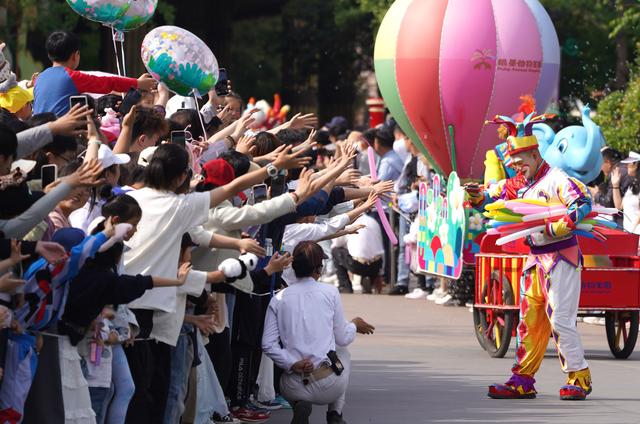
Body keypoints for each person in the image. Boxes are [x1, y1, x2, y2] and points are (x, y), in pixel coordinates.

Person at [468, 114, 593, 401]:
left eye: (521, 160)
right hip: (535, 259)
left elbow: (583, 201)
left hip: (562, 257)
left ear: (535, 154)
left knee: (560, 319)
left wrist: (567, 222)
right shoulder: (520, 183)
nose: (516, 167)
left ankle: (579, 377)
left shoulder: (558, 179)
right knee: (529, 319)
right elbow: (492, 195)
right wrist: (477, 197)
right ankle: (522, 379)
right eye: (513, 163)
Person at [262, 241, 374, 424]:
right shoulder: (330, 292)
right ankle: (335, 413)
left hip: (294, 385)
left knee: (289, 376)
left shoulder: (279, 298)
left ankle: (299, 403)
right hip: (329, 384)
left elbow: (267, 344)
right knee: (343, 352)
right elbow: (343, 338)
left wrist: (293, 363)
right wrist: (354, 324)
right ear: (318, 269)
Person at [33, 31, 157, 117]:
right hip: (60, 138)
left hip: (39, 133)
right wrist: (138, 83)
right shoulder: (71, 77)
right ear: (75, 56)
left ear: (49, 55)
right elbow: (108, 82)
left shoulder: (40, 78)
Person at [331, 213, 384, 294]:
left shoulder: (349, 222)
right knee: (365, 250)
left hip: (357, 264)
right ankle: (370, 278)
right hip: (377, 264)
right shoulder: (373, 221)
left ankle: (345, 285)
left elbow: (337, 243)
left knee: (335, 250)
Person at [612, 151, 640, 236]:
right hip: (630, 232)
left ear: (637, 165)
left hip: (636, 234)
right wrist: (615, 185)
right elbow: (619, 206)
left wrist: (633, 231)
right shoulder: (632, 186)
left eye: (630, 163)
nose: (627, 166)